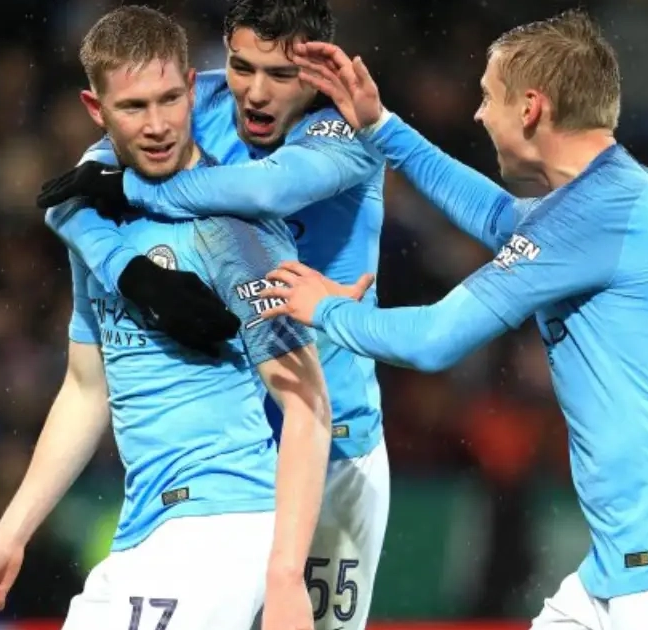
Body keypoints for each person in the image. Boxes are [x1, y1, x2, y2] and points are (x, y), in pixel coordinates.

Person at [266, 10, 648, 630]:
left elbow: (433, 340)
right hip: (635, 556)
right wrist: (382, 127)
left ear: (530, 107)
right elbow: (498, 215)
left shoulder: (593, 215)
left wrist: (324, 308)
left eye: (487, 96)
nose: (478, 114)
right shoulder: (620, 195)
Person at [0, 7, 332, 630]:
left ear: (192, 88)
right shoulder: (96, 223)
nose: (157, 125)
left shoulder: (235, 229)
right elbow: (86, 388)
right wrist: (10, 536)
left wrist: (286, 574)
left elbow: (307, 402)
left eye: (169, 100)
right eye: (133, 107)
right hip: (141, 532)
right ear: (96, 109)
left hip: (221, 525)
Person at [36, 2, 390, 627]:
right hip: (229, 452)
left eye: (281, 74)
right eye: (241, 66)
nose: (255, 92)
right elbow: (73, 189)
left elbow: (268, 190)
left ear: (318, 71)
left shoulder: (350, 129)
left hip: (330, 435)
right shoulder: (191, 98)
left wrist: (131, 190)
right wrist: (129, 268)